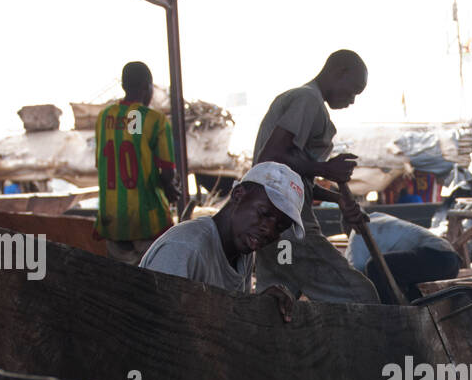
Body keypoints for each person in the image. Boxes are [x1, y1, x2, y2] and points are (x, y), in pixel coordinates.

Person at [252, 50, 379, 304]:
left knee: (277, 300)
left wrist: (337, 198)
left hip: (274, 234)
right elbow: (270, 158)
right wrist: (325, 170)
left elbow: (292, 177)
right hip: (289, 228)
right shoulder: (308, 99)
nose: (352, 100)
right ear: (339, 72)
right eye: (353, 90)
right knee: (361, 296)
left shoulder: (302, 100)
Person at [140, 162, 307, 320]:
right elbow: (158, 323)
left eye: (279, 227)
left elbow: (225, 320)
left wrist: (257, 307)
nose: (269, 231)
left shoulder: (243, 251)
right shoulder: (185, 248)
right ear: (238, 194)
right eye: (263, 214)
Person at [94, 62, 178, 265]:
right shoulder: (154, 120)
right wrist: (169, 188)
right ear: (147, 86)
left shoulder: (104, 117)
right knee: (153, 281)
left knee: (120, 283)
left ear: (124, 86)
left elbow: (101, 163)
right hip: (146, 222)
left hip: (112, 219)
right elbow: (167, 172)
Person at [346, 213, 460, 304]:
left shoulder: (357, 232)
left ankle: (390, 317)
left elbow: (354, 275)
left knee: (374, 266)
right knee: (411, 296)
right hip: (451, 261)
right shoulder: (377, 216)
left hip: (436, 256)